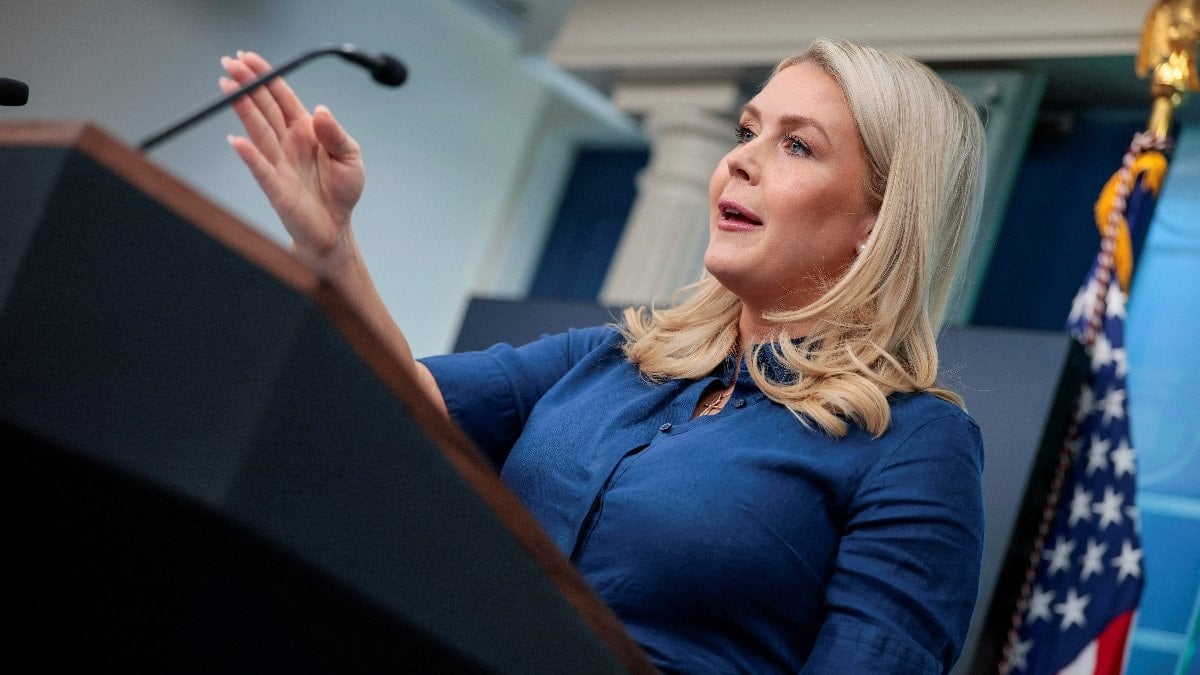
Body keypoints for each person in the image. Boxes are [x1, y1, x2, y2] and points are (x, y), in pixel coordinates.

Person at [220, 37, 987, 673]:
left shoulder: (915, 445)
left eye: (796, 145)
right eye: (746, 132)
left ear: (879, 220)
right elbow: (402, 402)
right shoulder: (618, 355)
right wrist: (333, 246)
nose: (742, 161)